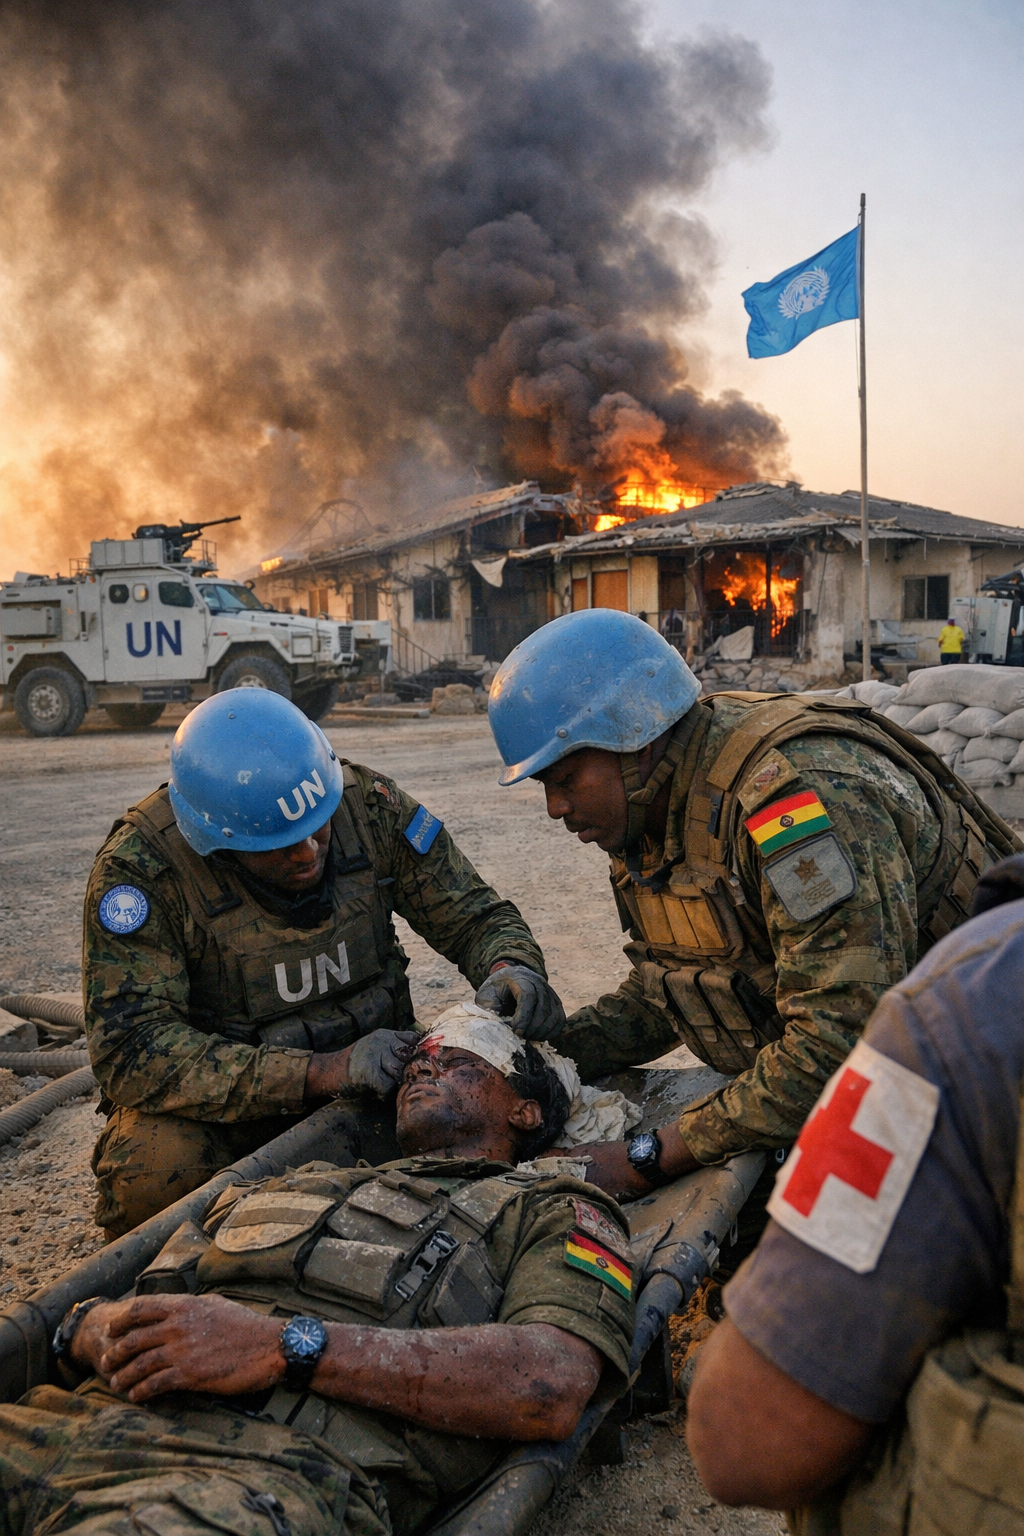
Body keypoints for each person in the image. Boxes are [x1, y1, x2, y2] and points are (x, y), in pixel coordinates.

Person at [0, 1012, 635, 1536]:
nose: (423, 1071)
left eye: (458, 1065)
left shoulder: (546, 1208)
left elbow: (550, 1384)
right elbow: (144, 1302)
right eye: (417, 1064)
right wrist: (86, 1325)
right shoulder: (297, 1182)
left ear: (523, 1112)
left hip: (265, 1476)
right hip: (73, 1420)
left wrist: (287, 1348)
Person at [487, 609, 1019, 1209]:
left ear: (633, 736)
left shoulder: (795, 801)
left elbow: (841, 1043)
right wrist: (539, 1060)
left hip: (988, 1083)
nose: (556, 808)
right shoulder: (651, 813)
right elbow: (681, 983)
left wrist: (648, 1156)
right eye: (543, 789)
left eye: (565, 778)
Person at [84, 688, 562, 1237]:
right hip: (238, 1116)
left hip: (382, 1085)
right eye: (280, 844)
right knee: (152, 1175)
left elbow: (475, 916)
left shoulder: (369, 806)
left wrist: (509, 967)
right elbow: (132, 1050)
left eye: (319, 826)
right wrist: (321, 1072)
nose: (309, 852)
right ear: (218, 843)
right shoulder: (145, 873)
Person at [684, 852, 1024, 1529]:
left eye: (569, 779)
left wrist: (659, 1150)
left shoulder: (974, 999)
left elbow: (745, 1443)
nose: (554, 808)